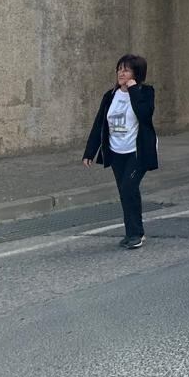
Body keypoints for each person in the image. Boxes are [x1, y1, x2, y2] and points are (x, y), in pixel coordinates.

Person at [82, 54, 158, 250]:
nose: (121, 73)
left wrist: (132, 89)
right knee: (126, 192)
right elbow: (100, 123)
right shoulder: (110, 96)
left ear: (136, 73)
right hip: (116, 152)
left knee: (128, 188)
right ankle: (134, 232)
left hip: (136, 151)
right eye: (119, 69)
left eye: (126, 69)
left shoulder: (145, 92)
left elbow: (144, 114)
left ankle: (134, 234)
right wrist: (90, 152)